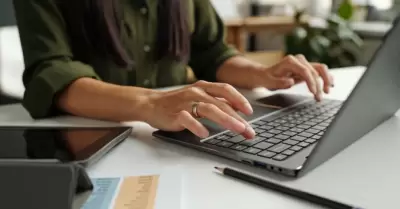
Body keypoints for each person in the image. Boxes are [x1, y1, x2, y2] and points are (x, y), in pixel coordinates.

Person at [13, 0, 334, 140]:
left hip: (188, 136)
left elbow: (213, 52)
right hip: (93, 139)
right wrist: (150, 103)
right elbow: (50, 73)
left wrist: (261, 74)